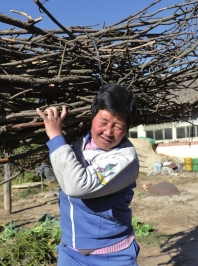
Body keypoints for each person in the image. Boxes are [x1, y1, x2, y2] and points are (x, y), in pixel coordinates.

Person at [36, 83, 140, 266]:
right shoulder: (82, 142)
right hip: (70, 251)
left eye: (118, 127)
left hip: (111, 256)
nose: (108, 132)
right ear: (93, 116)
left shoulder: (125, 159)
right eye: (104, 122)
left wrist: (55, 135)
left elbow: (77, 186)